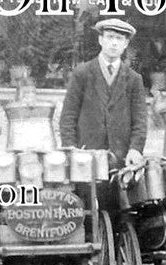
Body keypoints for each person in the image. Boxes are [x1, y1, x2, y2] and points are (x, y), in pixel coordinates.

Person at [59, 18, 147, 168]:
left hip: (121, 159)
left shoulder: (134, 79)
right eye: (109, 37)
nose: (114, 43)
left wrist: (135, 149)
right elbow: (68, 115)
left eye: (119, 39)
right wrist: (70, 148)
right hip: (86, 157)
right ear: (100, 40)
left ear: (125, 44)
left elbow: (140, 120)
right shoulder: (82, 73)